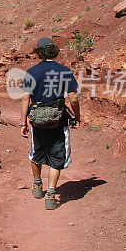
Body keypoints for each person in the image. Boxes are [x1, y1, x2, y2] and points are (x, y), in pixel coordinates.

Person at [20, 37, 81, 210]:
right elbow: (73, 99)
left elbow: (25, 98)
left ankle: (37, 185)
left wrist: (23, 122)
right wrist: (77, 117)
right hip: (58, 120)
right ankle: (51, 194)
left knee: (36, 152)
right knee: (57, 155)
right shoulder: (64, 71)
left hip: (37, 120)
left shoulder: (32, 72)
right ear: (54, 51)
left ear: (38, 52)